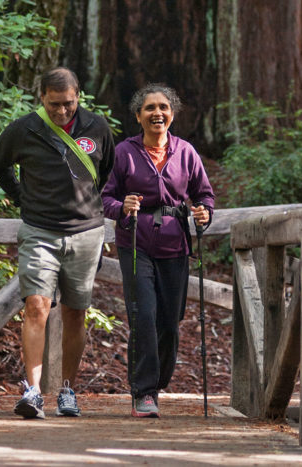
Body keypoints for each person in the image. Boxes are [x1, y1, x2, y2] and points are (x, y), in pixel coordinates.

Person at [0, 67, 115, 419]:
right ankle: (32, 391)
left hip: (86, 232)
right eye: (55, 104)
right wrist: (21, 197)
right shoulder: (24, 129)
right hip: (39, 229)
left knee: (75, 311)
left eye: (69, 104)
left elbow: (105, 173)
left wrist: (85, 208)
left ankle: (67, 391)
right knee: (37, 307)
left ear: (79, 97)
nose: (62, 112)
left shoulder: (97, 128)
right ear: (41, 97)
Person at [101, 83, 215, 417]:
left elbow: (204, 194)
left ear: (172, 114)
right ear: (138, 116)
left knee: (169, 321)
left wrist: (204, 212)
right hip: (136, 243)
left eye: (163, 107)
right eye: (149, 108)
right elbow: (105, 197)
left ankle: (158, 382)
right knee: (144, 315)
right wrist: (122, 205)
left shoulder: (186, 152)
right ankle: (144, 391)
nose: (157, 113)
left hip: (175, 244)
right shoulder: (123, 152)